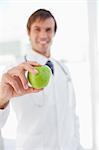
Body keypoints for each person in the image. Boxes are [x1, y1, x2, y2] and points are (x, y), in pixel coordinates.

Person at [0, 9, 84, 150]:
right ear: (28, 32)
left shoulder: (64, 70)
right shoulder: (14, 71)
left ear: (54, 33)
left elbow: (72, 114)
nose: (43, 35)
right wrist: (1, 100)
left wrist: (77, 145)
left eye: (48, 29)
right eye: (37, 29)